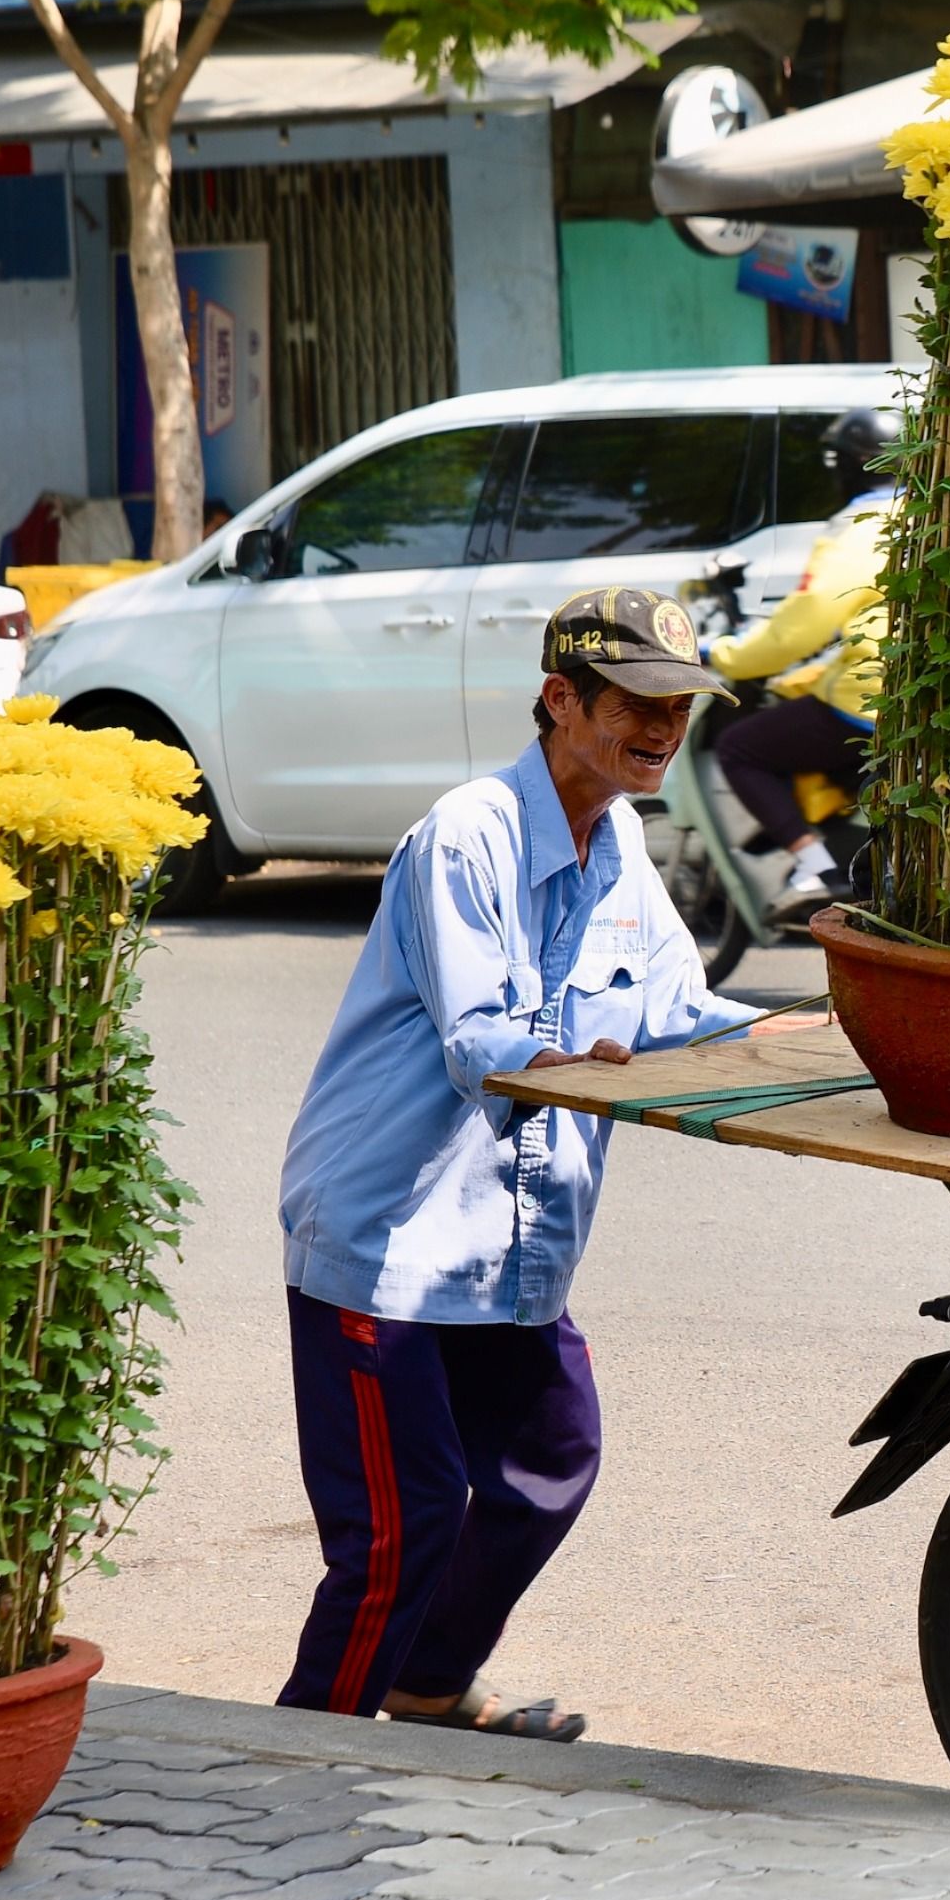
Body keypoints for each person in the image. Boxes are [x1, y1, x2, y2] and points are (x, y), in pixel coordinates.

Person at [275, 588, 761, 1738]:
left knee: (551, 1454)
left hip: (508, 1241)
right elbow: (480, 1038)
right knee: (404, 1525)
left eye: (678, 707)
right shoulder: (469, 835)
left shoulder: (621, 841)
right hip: (390, 1238)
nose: (661, 728)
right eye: (637, 702)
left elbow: (677, 1009)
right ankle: (295, 1754)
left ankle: (428, 1686)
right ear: (561, 699)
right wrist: (573, 1060)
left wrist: (817, 1037)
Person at [707, 406, 902, 923]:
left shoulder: (861, 529)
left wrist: (725, 652)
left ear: (847, 466)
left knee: (742, 746)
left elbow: (802, 625)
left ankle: (818, 868)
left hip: (871, 700)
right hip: (920, 697)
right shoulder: (924, 513)